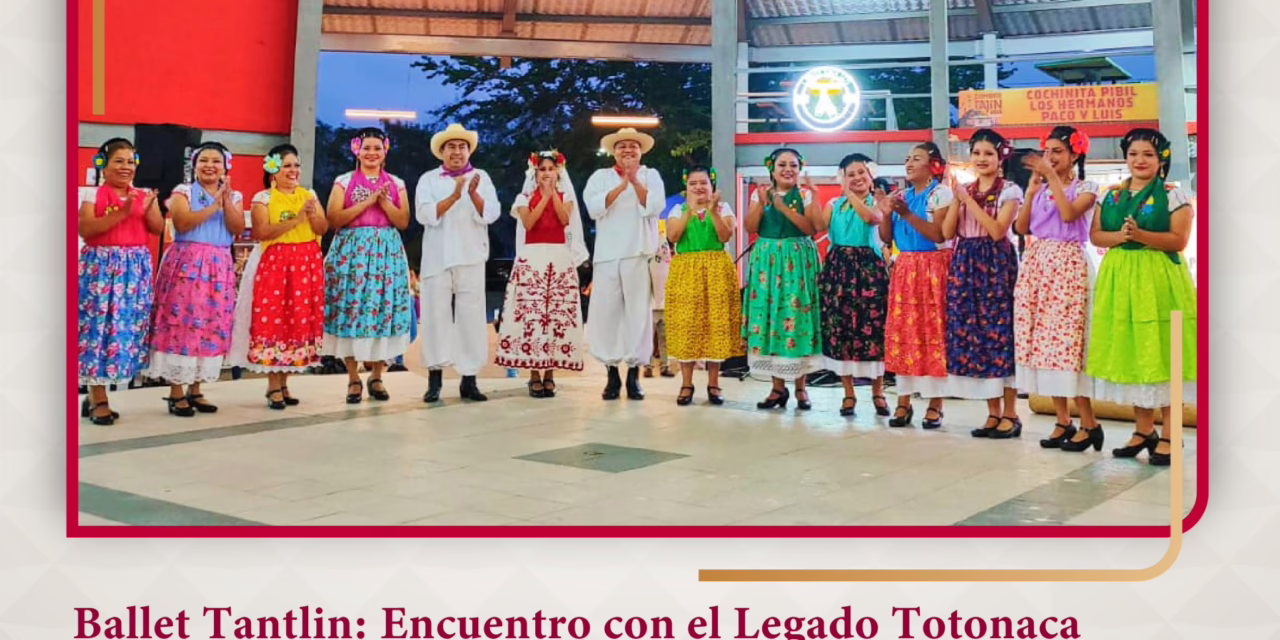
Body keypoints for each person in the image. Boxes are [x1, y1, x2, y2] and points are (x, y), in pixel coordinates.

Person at [1086, 127, 1197, 466]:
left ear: (1161, 159)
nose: (1140, 160)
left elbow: (1178, 240)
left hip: (1159, 279)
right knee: (1134, 351)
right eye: (1133, 154)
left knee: (1164, 352)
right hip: (1121, 279)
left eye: (1148, 154)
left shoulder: (1173, 196)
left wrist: (1141, 235)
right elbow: (1096, 235)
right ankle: (1143, 430)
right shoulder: (1111, 196)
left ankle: (1171, 434)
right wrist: (1122, 237)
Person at [1013, 125, 1104, 450]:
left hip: (1067, 267)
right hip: (1037, 264)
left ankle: (1089, 423)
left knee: (1068, 345)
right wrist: (1030, 193)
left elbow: (1068, 215)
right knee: (1043, 344)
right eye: (1047, 151)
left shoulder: (1087, 188)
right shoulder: (1040, 186)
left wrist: (1050, 177)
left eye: (1058, 151)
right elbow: (1021, 227)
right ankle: (1062, 420)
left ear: (1075, 154)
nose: (1049, 157)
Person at [145, 142, 243, 416]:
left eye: (216, 161)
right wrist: (214, 205)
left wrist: (226, 200)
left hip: (219, 266)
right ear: (195, 166)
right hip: (187, 262)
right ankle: (176, 391)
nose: (210, 166)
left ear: (225, 167)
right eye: (204, 161)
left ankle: (196, 388)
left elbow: (237, 227)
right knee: (182, 323)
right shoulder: (183, 191)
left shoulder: (235, 196)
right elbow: (182, 223)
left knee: (210, 323)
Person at [941, 129, 1024, 438]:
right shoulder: (964, 190)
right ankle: (992, 412)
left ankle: (1011, 413)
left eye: (988, 153)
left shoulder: (1010, 190)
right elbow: (947, 232)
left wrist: (968, 200)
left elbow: (997, 230)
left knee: (1000, 334)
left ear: (1001, 157)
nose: (981, 158)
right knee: (975, 334)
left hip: (995, 263)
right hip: (965, 261)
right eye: (976, 153)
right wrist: (957, 200)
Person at [323, 127, 413, 404]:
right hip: (352, 253)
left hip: (386, 253)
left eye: (377, 148)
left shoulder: (396, 183)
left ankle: (376, 375)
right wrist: (368, 201)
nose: (372, 153)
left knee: (382, 310)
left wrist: (383, 202)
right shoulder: (343, 181)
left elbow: (403, 221)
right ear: (357, 150)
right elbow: (333, 218)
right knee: (350, 309)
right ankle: (353, 377)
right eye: (367, 148)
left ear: (385, 151)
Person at [78, 138, 164, 425]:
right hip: (101, 270)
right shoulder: (92, 195)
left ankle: (99, 392)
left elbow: (157, 228)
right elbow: (87, 229)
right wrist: (124, 212)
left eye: (130, 161)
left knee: (124, 330)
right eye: (119, 161)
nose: (126, 167)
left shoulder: (142, 194)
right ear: (103, 165)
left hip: (133, 272)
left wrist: (150, 207)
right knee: (98, 329)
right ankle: (98, 396)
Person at [237, 144, 328, 409]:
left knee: (297, 320)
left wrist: (312, 216)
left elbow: (323, 228)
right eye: (287, 165)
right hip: (277, 264)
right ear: (273, 170)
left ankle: (285, 381)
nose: (293, 170)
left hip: (306, 263)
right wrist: (297, 219)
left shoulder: (308, 195)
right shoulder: (263, 198)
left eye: (296, 165)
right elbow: (262, 232)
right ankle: (273, 384)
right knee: (275, 319)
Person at [415, 123, 500, 402]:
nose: (457, 152)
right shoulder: (428, 179)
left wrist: (473, 193)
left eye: (462, 146)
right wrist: (454, 195)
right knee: (435, 316)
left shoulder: (481, 176)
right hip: (437, 257)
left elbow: (492, 213)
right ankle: (435, 378)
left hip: (471, 256)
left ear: (469, 150)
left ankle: (469, 379)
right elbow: (424, 215)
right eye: (451, 147)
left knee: (471, 318)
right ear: (441, 151)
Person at [495, 150, 588, 396]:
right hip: (533, 257)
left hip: (559, 258)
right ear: (535, 174)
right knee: (532, 314)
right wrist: (544, 197)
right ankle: (534, 374)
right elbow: (529, 223)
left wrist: (552, 195)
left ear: (558, 172)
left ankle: (550, 374)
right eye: (542, 169)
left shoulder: (566, 196)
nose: (547, 173)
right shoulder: (523, 198)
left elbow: (564, 219)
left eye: (551, 169)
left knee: (555, 315)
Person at [583, 128, 667, 400]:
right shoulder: (600, 177)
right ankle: (611, 374)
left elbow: (654, 206)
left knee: (638, 314)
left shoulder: (650, 175)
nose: (628, 150)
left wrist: (634, 180)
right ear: (614, 151)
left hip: (638, 252)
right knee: (606, 314)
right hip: (607, 253)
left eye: (633, 146)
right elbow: (594, 208)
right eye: (622, 146)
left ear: (640, 151)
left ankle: (633, 374)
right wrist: (622, 185)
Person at [879, 143, 955, 429]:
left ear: (933, 165)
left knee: (933, 332)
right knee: (905, 333)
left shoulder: (941, 194)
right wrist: (887, 212)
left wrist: (907, 214)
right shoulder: (901, 196)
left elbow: (939, 234)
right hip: (906, 267)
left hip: (934, 266)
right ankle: (904, 399)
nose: (909, 163)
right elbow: (886, 237)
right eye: (907, 158)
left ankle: (936, 403)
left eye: (917, 159)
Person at [743, 148, 823, 410]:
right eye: (782, 164)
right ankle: (777, 387)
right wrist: (763, 204)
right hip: (767, 261)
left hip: (797, 259)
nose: (788, 169)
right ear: (772, 168)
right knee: (771, 317)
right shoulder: (760, 193)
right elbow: (750, 227)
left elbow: (812, 228)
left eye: (793, 165)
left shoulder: (805, 195)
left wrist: (782, 208)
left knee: (796, 316)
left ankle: (801, 387)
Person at [816, 153, 891, 417]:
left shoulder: (878, 201)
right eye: (851, 174)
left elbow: (872, 219)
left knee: (873, 330)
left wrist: (851, 195)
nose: (857, 178)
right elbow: (817, 226)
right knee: (841, 329)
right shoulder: (834, 204)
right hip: (838, 270)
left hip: (869, 270)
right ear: (842, 178)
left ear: (871, 176)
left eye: (862, 173)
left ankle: (878, 392)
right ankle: (848, 393)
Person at [663, 165, 743, 406]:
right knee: (687, 324)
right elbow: (673, 236)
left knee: (714, 324)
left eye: (703, 183)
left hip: (716, 269)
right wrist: (690, 210)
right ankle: (686, 383)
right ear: (686, 187)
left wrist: (713, 211)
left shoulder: (724, 208)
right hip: (686, 270)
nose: (698, 187)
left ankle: (714, 383)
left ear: (712, 185)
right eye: (693, 183)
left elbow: (725, 236)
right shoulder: (677, 210)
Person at [646, 222, 674, 379]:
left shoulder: (662, 240)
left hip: (663, 300)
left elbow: (667, 269)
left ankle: (664, 366)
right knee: (648, 337)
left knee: (664, 337)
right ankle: (648, 366)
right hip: (649, 301)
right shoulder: (643, 241)